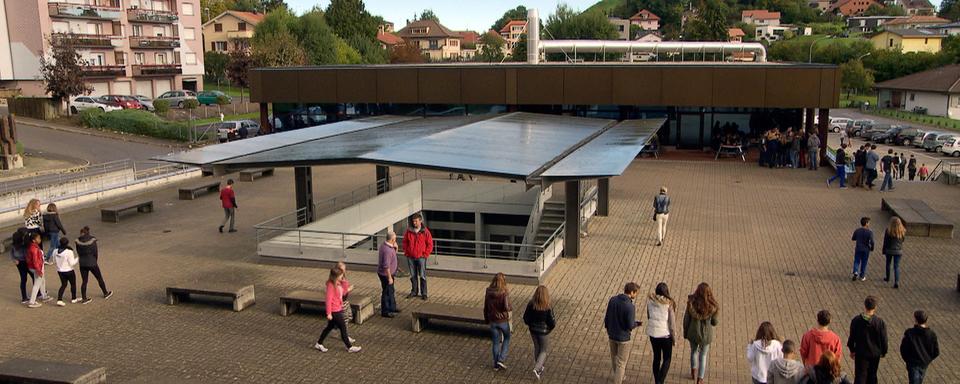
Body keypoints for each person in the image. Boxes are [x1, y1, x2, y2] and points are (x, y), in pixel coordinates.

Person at [314, 268, 362, 353]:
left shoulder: (338, 283)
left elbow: (343, 293)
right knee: (343, 327)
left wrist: (345, 283)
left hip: (338, 308)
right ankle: (349, 347)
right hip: (334, 310)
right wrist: (329, 313)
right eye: (340, 276)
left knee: (329, 327)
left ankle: (319, 343)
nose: (342, 277)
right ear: (335, 276)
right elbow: (328, 300)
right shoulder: (331, 286)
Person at [605, 282, 642, 384]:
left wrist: (608, 328)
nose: (636, 295)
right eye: (636, 293)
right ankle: (618, 380)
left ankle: (619, 375)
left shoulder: (612, 300)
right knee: (621, 362)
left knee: (614, 357)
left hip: (612, 334)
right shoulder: (630, 307)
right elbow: (630, 325)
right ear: (631, 292)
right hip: (623, 338)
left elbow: (607, 317)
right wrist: (637, 324)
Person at [683, 282, 719, 384]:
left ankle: (693, 371)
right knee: (703, 356)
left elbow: (686, 319)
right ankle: (700, 378)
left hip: (693, 333)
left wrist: (685, 332)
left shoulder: (691, 303)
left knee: (693, 351)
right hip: (706, 336)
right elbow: (714, 322)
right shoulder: (712, 306)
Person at [847, 296, 888, 384]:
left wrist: (852, 349)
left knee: (860, 375)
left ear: (864, 306)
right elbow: (884, 339)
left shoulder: (856, 320)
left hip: (861, 353)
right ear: (875, 307)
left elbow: (852, 337)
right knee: (872, 374)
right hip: (875, 354)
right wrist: (884, 351)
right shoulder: (880, 322)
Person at [646, 282, 676, 384]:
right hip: (665, 335)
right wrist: (674, 338)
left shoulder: (650, 301)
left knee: (656, 357)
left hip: (653, 334)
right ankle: (660, 381)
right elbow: (672, 325)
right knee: (667, 358)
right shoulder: (669, 304)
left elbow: (649, 316)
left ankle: (657, 380)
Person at [523, 285, 555, 380]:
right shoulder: (548, 306)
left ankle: (539, 366)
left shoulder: (531, 304)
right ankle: (537, 368)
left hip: (533, 330)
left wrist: (530, 324)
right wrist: (549, 328)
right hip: (543, 332)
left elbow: (525, 317)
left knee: (537, 348)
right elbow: (552, 321)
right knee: (543, 350)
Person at [899, 310, 939, 384]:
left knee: (914, 381)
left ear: (916, 320)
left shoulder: (909, 333)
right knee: (919, 379)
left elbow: (903, 349)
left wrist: (908, 360)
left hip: (912, 363)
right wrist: (928, 359)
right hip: (924, 363)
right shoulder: (932, 334)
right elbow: (936, 352)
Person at [75, 226, 112, 303]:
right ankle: (105, 293)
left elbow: (78, 251)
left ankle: (84, 298)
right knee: (99, 278)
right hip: (92, 262)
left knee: (84, 281)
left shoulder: (78, 241)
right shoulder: (92, 240)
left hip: (82, 263)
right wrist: (95, 260)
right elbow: (95, 252)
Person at [484, 273, 512, 371]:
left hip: (492, 320)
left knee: (495, 342)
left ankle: (495, 365)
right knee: (507, 338)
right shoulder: (504, 292)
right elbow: (506, 307)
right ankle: (501, 358)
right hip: (503, 320)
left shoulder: (488, 291)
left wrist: (486, 319)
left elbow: (486, 306)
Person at [402, 213, 432, 300]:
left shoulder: (425, 232)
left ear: (420, 221)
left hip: (421, 257)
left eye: (416, 221)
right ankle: (414, 291)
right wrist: (407, 252)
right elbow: (405, 242)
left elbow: (430, 244)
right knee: (413, 275)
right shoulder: (409, 231)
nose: (414, 223)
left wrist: (425, 254)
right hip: (411, 257)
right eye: (413, 221)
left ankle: (424, 293)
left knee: (422, 275)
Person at [377, 232, 399, 318]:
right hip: (385, 275)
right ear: (392, 240)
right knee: (386, 292)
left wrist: (395, 248)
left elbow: (393, 256)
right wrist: (389, 277)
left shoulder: (386, 246)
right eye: (395, 239)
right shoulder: (387, 250)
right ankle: (385, 311)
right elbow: (386, 266)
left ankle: (392, 307)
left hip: (389, 273)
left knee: (391, 291)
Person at [11, 227, 36, 304]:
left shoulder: (15, 243)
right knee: (33, 276)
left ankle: (24, 297)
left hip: (20, 262)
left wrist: (14, 259)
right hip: (25, 262)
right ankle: (36, 293)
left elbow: (12, 253)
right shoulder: (23, 243)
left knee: (24, 279)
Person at [52, 237, 79, 306]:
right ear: (67, 243)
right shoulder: (69, 252)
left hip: (60, 271)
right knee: (73, 284)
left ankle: (59, 299)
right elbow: (72, 263)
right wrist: (78, 258)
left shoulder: (55, 251)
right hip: (69, 270)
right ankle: (74, 298)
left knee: (63, 284)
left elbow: (54, 261)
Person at [25, 233, 49, 308]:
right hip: (37, 268)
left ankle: (43, 295)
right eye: (38, 238)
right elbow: (35, 261)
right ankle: (32, 301)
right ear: (33, 240)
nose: (40, 240)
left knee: (42, 281)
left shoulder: (32, 246)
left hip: (36, 267)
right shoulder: (34, 248)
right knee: (37, 284)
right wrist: (39, 271)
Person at [882, 217, 905, 289]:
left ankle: (887, 277)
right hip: (898, 251)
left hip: (889, 250)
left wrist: (884, 250)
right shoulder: (903, 231)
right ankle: (896, 281)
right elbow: (903, 240)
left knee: (888, 263)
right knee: (896, 266)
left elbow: (885, 241)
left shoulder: (888, 231)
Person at [851, 217, 874, 282]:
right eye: (868, 222)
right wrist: (872, 247)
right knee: (864, 262)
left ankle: (855, 271)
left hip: (858, 248)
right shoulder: (870, 232)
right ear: (866, 223)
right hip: (866, 249)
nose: (869, 224)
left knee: (857, 260)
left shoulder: (857, 230)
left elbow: (853, 238)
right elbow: (872, 241)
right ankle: (862, 276)